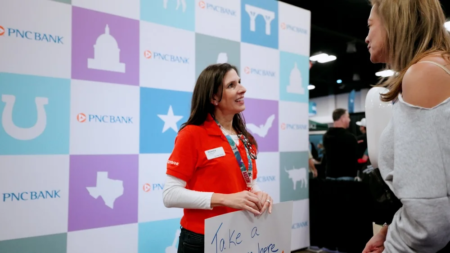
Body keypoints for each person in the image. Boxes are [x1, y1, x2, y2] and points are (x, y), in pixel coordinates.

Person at [363, 0, 450, 252]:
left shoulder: (424, 73)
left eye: (370, 25)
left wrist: (394, 245)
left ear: (393, 22)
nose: (367, 37)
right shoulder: (437, 67)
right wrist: (391, 232)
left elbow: (429, 221)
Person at [162, 63, 273, 253]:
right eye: (232, 85)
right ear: (214, 97)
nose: (242, 89)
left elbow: (250, 183)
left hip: (239, 234)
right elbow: (170, 195)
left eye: (239, 82)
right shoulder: (192, 134)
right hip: (201, 239)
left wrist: (258, 194)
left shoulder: (246, 138)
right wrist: (225, 199)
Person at [322, 108, 359, 180]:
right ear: (342, 118)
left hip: (330, 175)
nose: (349, 120)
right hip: (346, 175)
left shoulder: (326, 137)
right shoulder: (350, 137)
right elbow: (354, 158)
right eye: (348, 117)